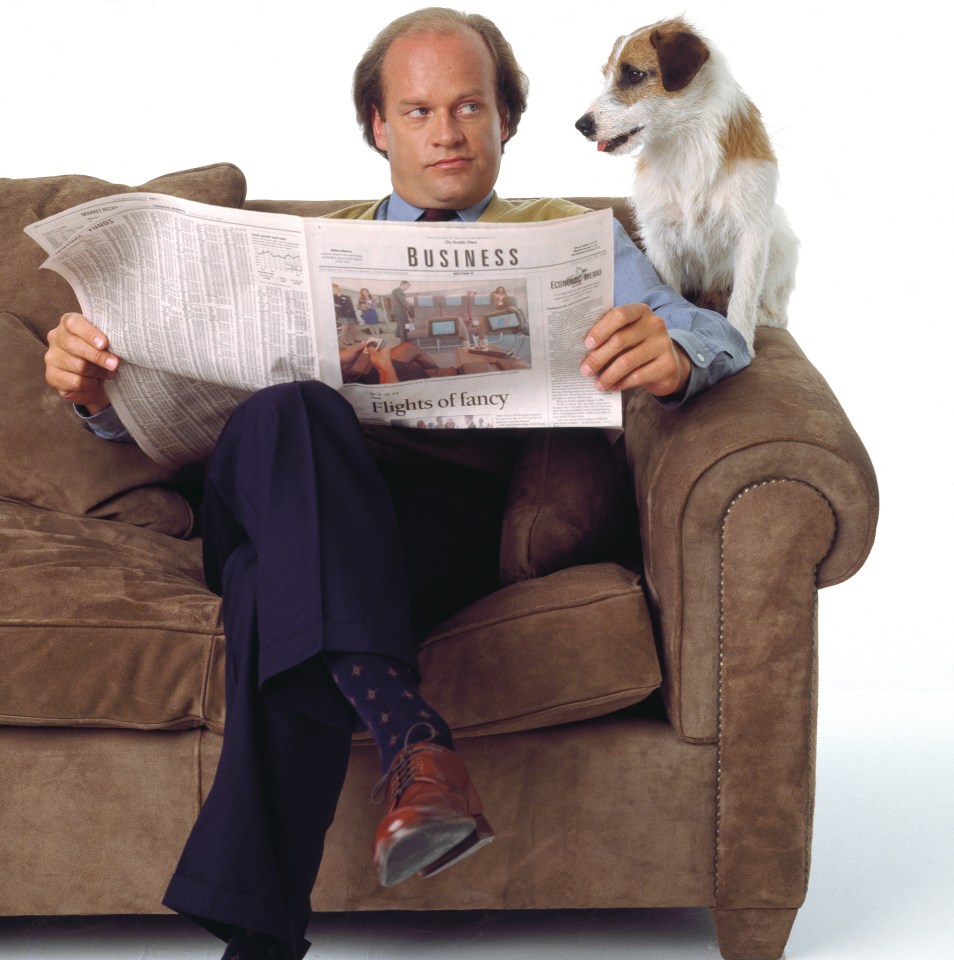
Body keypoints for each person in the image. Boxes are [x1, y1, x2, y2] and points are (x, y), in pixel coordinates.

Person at [42, 9, 750, 959]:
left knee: (272, 587)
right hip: (273, 482)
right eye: (417, 111)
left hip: (427, 527)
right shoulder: (310, 245)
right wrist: (98, 393)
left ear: (508, 120)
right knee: (293, 411)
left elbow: (722, 333)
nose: (447, 133)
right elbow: (173, 407)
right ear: (378, 126)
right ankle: (413, 735)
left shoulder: (579, 241)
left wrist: (677, 349)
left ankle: (260, 931)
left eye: (470, 107)